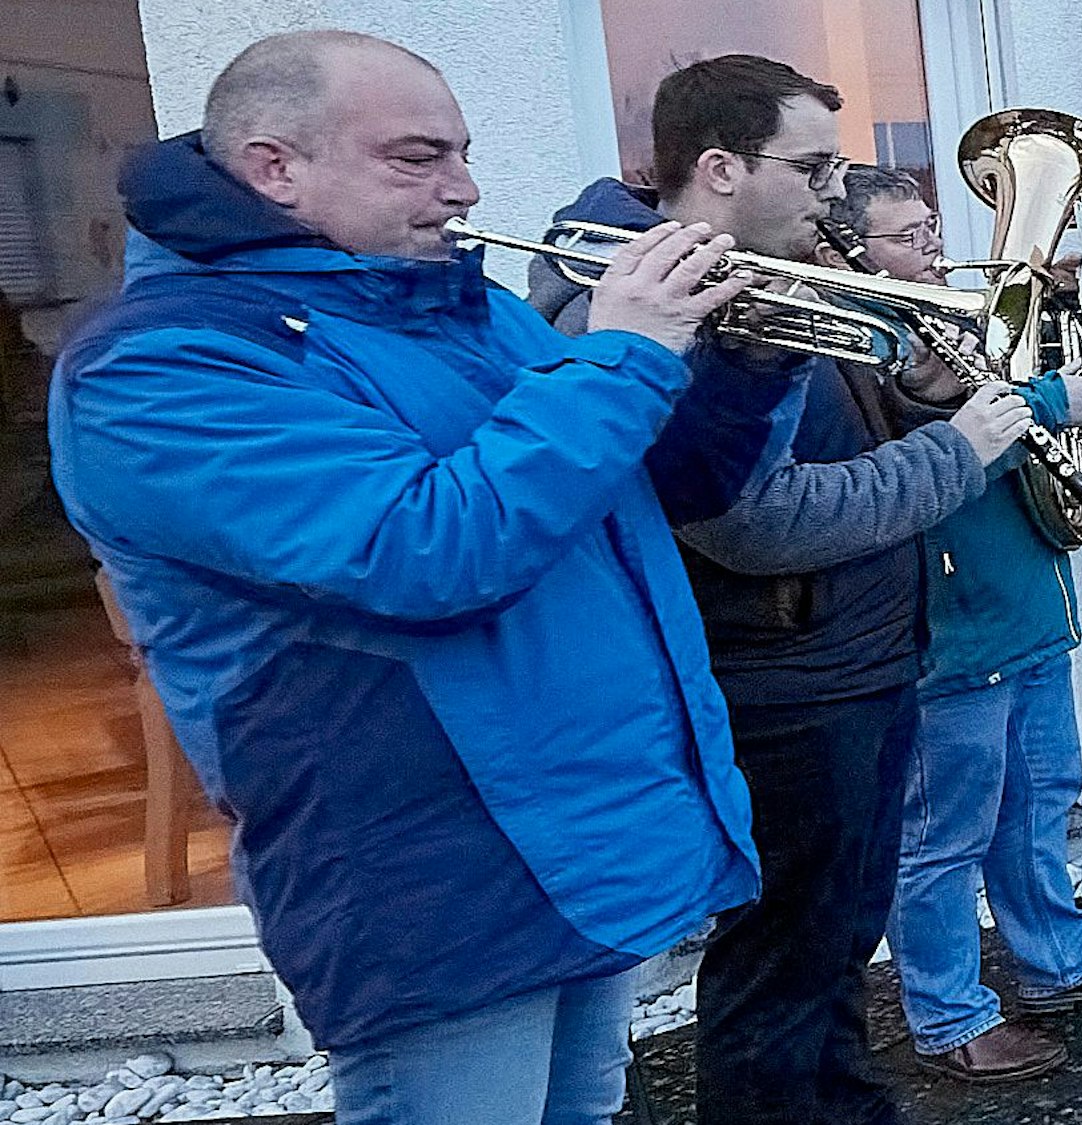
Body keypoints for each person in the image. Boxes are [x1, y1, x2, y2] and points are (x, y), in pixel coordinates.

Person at [46, 30, 795, 1125]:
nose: (465, 189)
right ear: (274, 167)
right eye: (417, 158)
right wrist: (626, 349)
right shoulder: (159, 368)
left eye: (462, 152)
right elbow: (428, 551)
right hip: (428, 869)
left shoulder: (453, 301)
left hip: (586, 825)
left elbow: (648, 484)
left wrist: (741, 358)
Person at [528, 57, 1034, 1125]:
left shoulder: (762, 266)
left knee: (835, 940)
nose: (832, 194)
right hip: (781, 674)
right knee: (783, 959)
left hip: (850, 653)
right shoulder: (642, 297)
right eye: (811, 167)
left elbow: (817, 430)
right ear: (718, 167)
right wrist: (956, 448)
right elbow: (755, 521)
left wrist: (909, 392)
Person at [811, 165, 1082, 1084]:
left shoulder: (954, 314)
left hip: (1025, 597)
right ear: (852, 249)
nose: (934, 246)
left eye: (933, 225)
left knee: (1042, 795)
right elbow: (936, 443)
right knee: (944, 833)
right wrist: (1050, 406)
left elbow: (1042, 373)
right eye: (908, 236)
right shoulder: (862, 340)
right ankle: (947, 1014)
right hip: (955, 617)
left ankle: (1058, 956)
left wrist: (1076, 315)